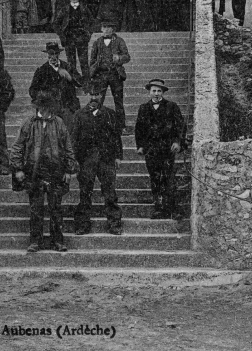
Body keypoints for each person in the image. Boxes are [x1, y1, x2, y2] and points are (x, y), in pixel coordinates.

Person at [10, 89, 78, 253]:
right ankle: (35, 241)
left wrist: (69, 170)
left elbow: (68, 148)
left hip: (55, 171)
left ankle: (58, 241)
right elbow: (17, 147)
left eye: (46, 106)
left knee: (56, 209)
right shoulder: (29, 123)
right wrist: (18, 168)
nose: (43, 109)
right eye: (41, 106)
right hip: (35, 172)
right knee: (36, 209)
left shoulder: (59, 123)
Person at [70, 80, 123, 235]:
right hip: (86, 160)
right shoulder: (79, 115)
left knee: (110, 193)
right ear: (88, 95)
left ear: (102, 95)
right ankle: (82, 225)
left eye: (97, 94)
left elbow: (116, 137)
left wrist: (118, 156)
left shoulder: (110, 114)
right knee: (85, 193)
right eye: (92, 94)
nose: (94, 97)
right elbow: (74, 138)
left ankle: (114, 224)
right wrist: (74, 159)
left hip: (106, 159)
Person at [135, 79, 186, 220]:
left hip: (167, 149)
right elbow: (139, 129)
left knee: (168, 179)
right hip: (151, 150)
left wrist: (177, 142)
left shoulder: (172, 106)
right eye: (154, 91)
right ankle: (159, 209)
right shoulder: (143, 108)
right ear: (149, 92)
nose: (156, 94)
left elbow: (180, 126)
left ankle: (172, 209)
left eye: (159, 91)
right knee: (155, 179)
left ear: (162, 92)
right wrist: (140, 146)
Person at [28, 41, 82, 130]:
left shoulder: (67, 67)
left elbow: (81, 82)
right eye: (50, 54)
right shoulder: (41, 70)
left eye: (55, 54)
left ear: (59, 54)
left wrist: (69, 76)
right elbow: (32, 91)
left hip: (67, 107)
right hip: (50, 109)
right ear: (47, 55)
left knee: (69, 133)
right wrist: (46, 95)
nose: (53, 56)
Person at [89, 20, 131, 133]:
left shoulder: (119, 41)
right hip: (101, 75)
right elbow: (92, 60)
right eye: (104, 27)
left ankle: (121, 127)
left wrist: (119, 58)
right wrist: (94, 70)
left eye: (109, 27)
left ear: (113, 29)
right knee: (98, 101)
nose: (106, 29)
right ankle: (95, 126)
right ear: (101, 29)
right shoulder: (97, 42)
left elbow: (127, 56)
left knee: (118, 102)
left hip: (115, 75)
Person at [55, 0, 94, 83]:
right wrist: (61, 35)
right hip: (69, 37)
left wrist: (88, 33)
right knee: (71, 61)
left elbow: (92, 22)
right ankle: (74, 80)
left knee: (84, 61)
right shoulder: (64, 9)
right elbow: (56, 23)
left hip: (81, 37)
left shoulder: (84, 8)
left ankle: (87, 82)